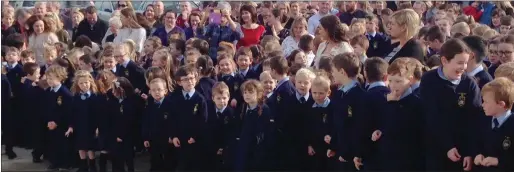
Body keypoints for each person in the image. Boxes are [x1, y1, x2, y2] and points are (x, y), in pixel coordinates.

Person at [420, 39, 482, 171]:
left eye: (465, 63)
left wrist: (468, 152)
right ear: (444, 61)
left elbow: (474, 120)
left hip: (460, 151)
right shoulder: (429, 80)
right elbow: (432, 116)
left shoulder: (469, 84)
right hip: (435, 148)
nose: (463, 67)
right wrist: (447, 146)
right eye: (459, 63)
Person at [372, 58, 424, 170]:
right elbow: (384, 123)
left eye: (398, 81)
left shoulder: (416, 103)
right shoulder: (386, 101)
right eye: (390, 81)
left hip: (408, 161)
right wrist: (379, 131)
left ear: (410, 80)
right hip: (387, 160)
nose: (393, 85)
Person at [329, 53, 366, 170]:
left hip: (351, 156)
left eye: (334, 70)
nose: (332, 73)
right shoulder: (340, 93)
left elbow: (357, 128)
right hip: (340, 152)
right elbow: (337, 123)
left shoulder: (359, 96)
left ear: (342, 72)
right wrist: (333, 146)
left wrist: (349, 153)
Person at [354, 57, 390, 171]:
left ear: (365, 74)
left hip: (370, 154)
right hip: (390, 153)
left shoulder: (364, 97)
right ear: (386, 76)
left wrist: (358, 153)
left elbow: (361, 128)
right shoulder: (392, 95)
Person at [169, 65, 209, 171]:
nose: (189, 82)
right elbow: (172, 119)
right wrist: (174, 136)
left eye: (191, 78)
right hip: (179, 139)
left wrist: (195, 136)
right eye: (185, 79)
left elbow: (203, 120)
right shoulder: (175, 98)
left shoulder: (200, 99)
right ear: (179, 82)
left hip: (194, 140)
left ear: (196, 79)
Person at [474, 77, 514, 171]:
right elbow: (477, 142)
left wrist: (498, 161)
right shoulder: (483, 119)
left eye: (486, 102)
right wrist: (477, 154)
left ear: (501, 104)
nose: (482, 105)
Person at [234, 79, 274, 171]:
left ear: (259, 94)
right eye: (245, 92)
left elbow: (265, 132)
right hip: (243, 149)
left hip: (257, 150)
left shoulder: (264, 110)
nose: (247, 95)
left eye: (250, 92)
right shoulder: (243, 107)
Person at [43, 65, 74, 171]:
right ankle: (55, 162)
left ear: (60, 77)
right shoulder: (48, 91)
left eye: (51, 78)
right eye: (48, 78)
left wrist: (57, 122)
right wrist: (49, 121)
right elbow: (46, 108)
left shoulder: (65, 93)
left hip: (62, 125)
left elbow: (67, 111)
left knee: (63, 145)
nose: (49, 81)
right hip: (51, 123)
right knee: (53, 144)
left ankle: (65, 163)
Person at [68, 71, 99, 172]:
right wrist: (71, 126)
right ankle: (83, 166)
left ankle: (92, 165)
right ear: (77, 84)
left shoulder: (94, 97)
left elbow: (98, 114)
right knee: (81, 147)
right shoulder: (75, 97)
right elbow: (72, 113)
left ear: (90, 82)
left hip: (91, 126)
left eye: (86, 82)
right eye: (81, 83)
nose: (84, 85)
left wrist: (98, 127)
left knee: (90, 147)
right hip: (79, 126)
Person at [142, 78, 173, 171]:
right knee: (155, 162)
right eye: (153, 90)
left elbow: (174, 122)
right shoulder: (149, 104)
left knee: (168, 163)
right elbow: (146, 122)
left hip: (167, 140)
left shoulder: (170, 104)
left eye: (159, 89)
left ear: (165, 91)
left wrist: (172, 136)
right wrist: (145, 138)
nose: (156, 92)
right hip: (154, 139)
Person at [109, 77, 137, 172]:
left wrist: (122, 135)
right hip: (115, 135)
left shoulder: (131, 102)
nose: (112, 92)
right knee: (116, 159)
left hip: (127, 136)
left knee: (129, 158)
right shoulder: (112, 101)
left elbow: (130, 121)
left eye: (114, 89)